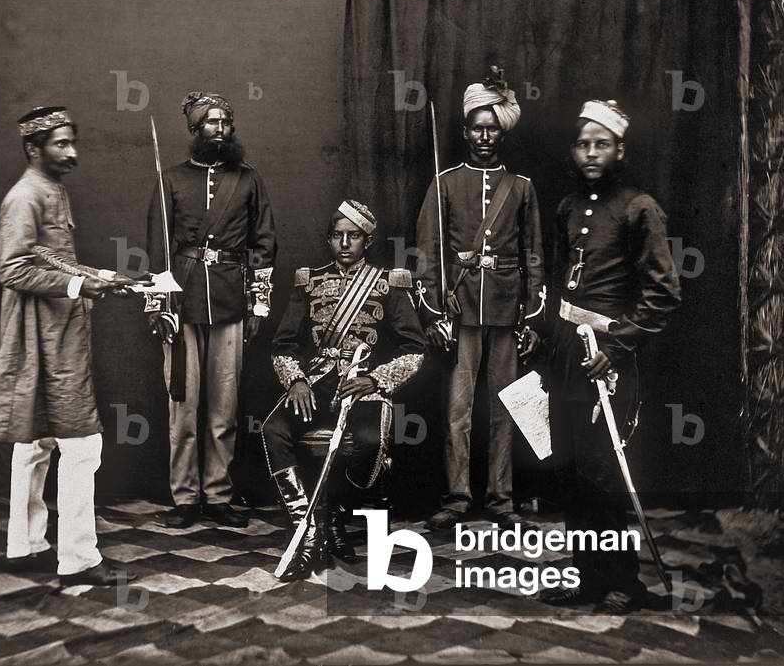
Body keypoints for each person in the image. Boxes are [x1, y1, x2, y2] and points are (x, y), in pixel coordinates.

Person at [538, 99, 681, 613]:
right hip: (566, 357)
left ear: (620, 148)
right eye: (582, 143)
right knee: (569, 470)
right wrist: (547, 337)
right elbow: (561, 285)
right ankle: (589, 579)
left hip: (609, 359)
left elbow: (663, 292)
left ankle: (625, 581)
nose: (591, 152)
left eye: (602, 143)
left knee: (604, 473)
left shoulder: (639, 208)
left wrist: (618, 349)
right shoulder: (567, 208)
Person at [0, 106, 136, 586]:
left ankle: (25, 546)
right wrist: (78, 288)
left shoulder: (52, 190)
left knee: (35, 442)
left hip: (58, 333)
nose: (72, 152)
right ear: (34, 149)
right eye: (60, 144)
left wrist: (108, 277)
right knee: (81, 445)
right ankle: (79, 559)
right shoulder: (24, 197)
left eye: (73, 142)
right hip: (40, 337)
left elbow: (50, 258)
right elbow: (12, 269)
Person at [262, 200, 426, 580]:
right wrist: (297, 380)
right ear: (329, 239)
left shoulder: (389, 283)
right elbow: (283, 344)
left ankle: (331, 512)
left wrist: (376, 380)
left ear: (367, 242)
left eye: (354, 236)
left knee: (365, 443)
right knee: (273, 429)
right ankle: (313, 529)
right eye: (338, 236)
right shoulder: (309, 281)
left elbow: (415, 348)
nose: (345, 243)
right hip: (318, 383)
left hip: (363, 387)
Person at [415, 72, 545, 530]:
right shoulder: (445, 183)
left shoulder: (522, 187)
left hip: (508, 311)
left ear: (502, 130)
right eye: (477, 127)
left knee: (508, 406)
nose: (485, 136)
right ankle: (455, 497)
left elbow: (534, 255)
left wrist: (531, 315)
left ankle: (501, 499)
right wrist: (434, 313)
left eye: (493, 127)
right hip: (461, 310)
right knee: (458, 412)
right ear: (465, 131)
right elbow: (427, 253)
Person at [145, 91, 277, 529]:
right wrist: (158, 306)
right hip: (181, 304)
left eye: (225, 122)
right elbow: (157, 251)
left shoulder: (249, 179)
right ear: (195, 129)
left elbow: (264, 244)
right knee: (182, 408)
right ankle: (184, 498)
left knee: (224, 407)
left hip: (230, 304)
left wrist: (258, 303)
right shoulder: (172, 179)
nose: (221, 130)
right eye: (211, 123)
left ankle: (218, 495)